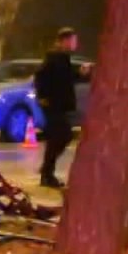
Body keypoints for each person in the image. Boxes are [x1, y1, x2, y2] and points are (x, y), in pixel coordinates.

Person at [33, 27, 90, 188]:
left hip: (57, 105)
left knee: (56, 139)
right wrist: (43, 97)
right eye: (73, 40)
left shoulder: (62, 58)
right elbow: (41, 76)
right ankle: (46, 172)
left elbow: (65, 78)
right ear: (65, 41)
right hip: (54, 105)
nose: (75, 44)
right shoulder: (55, 57)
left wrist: (80, 73)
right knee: (63, 135)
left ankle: (46, 173)